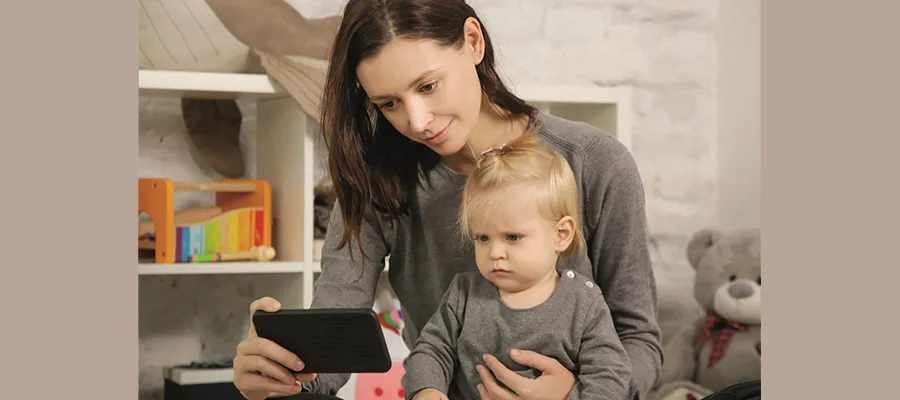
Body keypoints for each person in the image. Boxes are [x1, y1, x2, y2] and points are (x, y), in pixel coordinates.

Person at [232, 0, 662, 399]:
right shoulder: (377, 178)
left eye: (429, 85)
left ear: (473, 42)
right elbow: (330, 356)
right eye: (388, 104)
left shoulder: (594, 162)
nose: (417, 122)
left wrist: (577, 394)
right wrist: (281, 373)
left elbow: (638, 341)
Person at [401, 132, 633, 400]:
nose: (495, 252)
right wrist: (426, 390)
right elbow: (431, 350)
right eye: (483, 238)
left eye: (512, 237)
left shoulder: (584, 302)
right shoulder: (463, 294)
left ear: (561, 234)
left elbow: (610, 378)